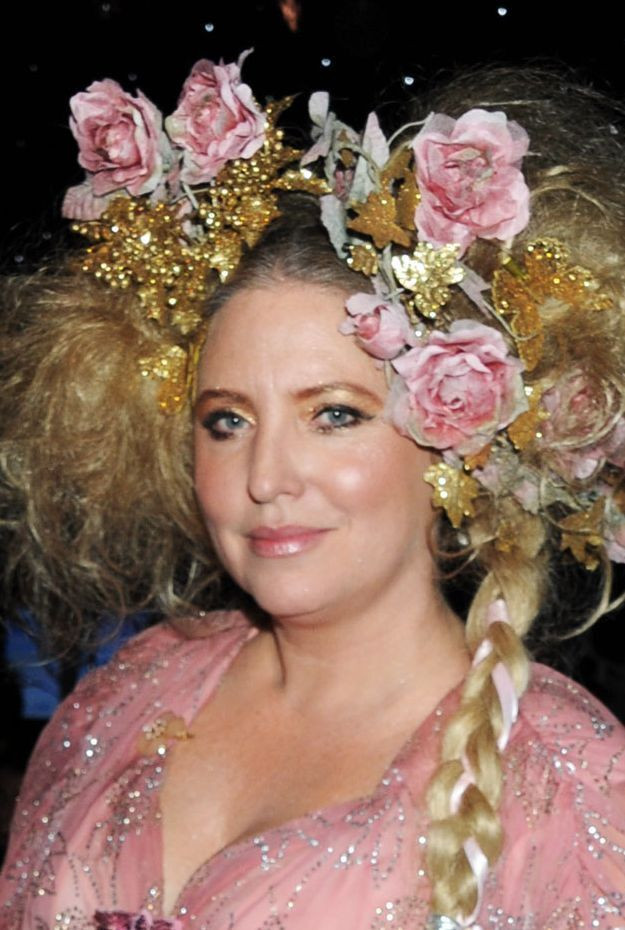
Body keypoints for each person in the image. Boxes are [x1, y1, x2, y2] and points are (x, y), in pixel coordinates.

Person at [1, 57, 625, 930]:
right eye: (226, 421)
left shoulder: (571, 778)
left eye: (333, 415)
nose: (264, 478)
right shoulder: (131, 690)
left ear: (456, 434)